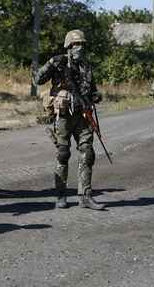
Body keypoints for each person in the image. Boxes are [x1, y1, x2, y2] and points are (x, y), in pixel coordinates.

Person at [36, 29, 105, 210]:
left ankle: (85, 196)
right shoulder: (59, 63)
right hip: (64, 115)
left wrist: (96, 95)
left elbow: (92, 89)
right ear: (68, 46)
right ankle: (60, 195)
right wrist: (50, 63)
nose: (79, 47)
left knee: (88, 153)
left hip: (83, 115)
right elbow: (38, 79)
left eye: (82, 44)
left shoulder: (86, 66)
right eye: (76, 44)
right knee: (63, 154)